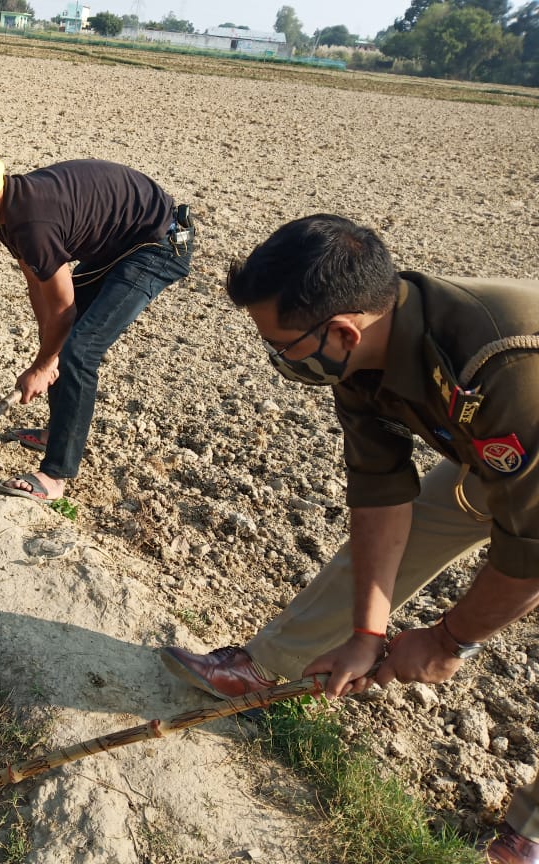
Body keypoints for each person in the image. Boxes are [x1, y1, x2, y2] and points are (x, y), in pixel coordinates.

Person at [159, 214, 539, 863]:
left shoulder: (498, 364)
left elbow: (530, 553)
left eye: (282, 346)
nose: (278, 360)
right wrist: (369, 635)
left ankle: (531, 833)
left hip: (524, 436)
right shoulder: (363, 352)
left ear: (340, 330)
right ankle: (272, 667)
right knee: (426, 514)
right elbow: (380, 492)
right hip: (499, 454)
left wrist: (449, 641)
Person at [0, 149, 193, 501]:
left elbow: (65, 311)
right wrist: (46, 348)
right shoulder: (7, 215)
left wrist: (44, 363)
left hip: (158, 244)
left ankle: (55, 477)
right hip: (122, 245)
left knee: (79, 349)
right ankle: (58, 433)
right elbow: (37, 284)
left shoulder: (34, 223)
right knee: (61, 342)